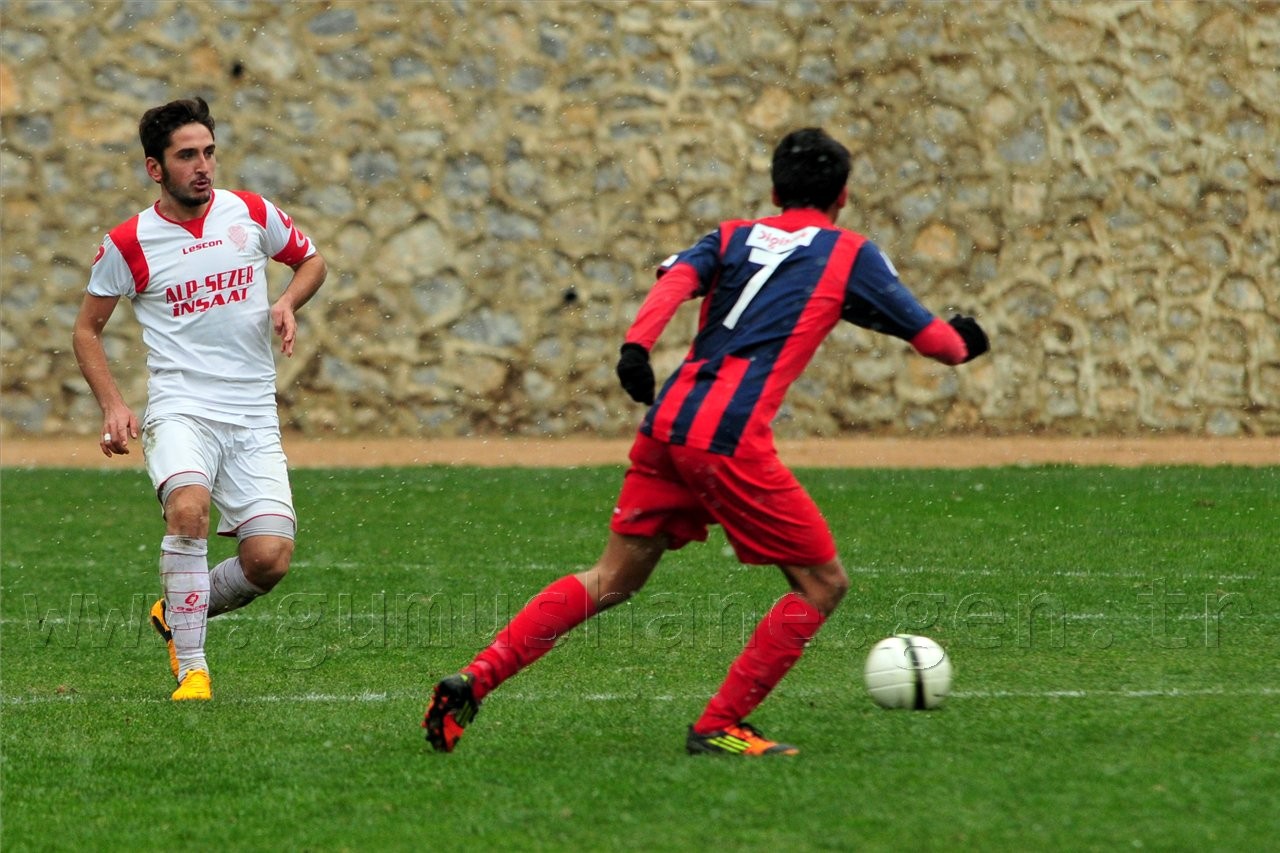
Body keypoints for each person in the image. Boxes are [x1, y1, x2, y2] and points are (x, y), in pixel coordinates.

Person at [423, 127, 989, 755]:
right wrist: (966, 338)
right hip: (728, 437)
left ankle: (473, 680)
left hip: (668, 422)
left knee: (611, 576)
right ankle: (719, 727)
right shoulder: (850, 252)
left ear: (775, 189)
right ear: (845, 195)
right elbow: (939, 344)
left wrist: (636, 349)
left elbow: (671, 284)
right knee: (822, 584)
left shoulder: (731, 235)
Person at [72, 97, 327, 701]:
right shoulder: (128, 243)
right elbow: (86, 330)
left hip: (253, 413)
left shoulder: (252, 213)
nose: (203, 165)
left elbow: (310, 261)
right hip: (181, 406)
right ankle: (193, 669)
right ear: (155, 169)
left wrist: (288, 301)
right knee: (188, 509)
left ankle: (177, 610)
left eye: (208, 151)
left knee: (269, 560)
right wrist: (113, 404)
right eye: (187, 155)